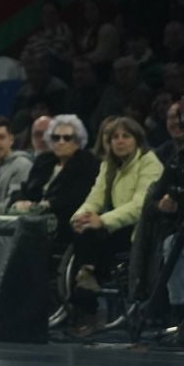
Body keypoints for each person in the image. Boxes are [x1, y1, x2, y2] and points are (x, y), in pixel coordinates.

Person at [66, 117, 163, 328]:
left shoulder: (149, 162)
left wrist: (102, 220)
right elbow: (94, 199)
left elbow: (140, 206)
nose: (120, 141)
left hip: (141, 228)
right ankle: (88, 277)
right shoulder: (107, 166)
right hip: (115, 225)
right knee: (82, 227)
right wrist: (80, 217)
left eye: (125, 136)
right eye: (114, 138)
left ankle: (88, 290)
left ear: (137, 140)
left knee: (95, 231)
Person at [11, 112, 96, 228]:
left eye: (67, 138)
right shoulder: (44, 161)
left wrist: (44, 206)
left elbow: (75, 198)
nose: (61, 142)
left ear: (77, 141)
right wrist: (19, 201)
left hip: (65, 224)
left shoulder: (87, 163)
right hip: (32, 222)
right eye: (56, 138)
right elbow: (26, 189)